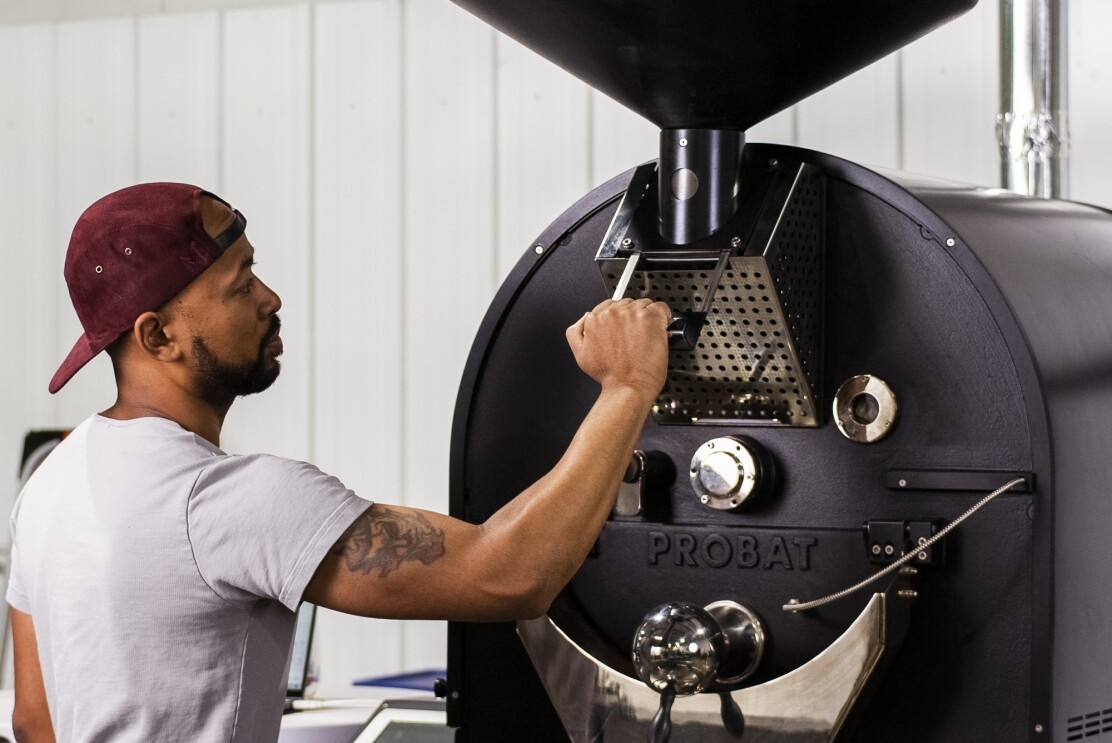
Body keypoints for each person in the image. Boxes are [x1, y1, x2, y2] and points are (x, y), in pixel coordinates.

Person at [6, 182, 671, 742]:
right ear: (159, 335)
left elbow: (36, 721)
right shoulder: (228, 501)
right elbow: (511, 575)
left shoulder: (49, 481)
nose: (270, 298)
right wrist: (627, 387)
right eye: (240, 285)